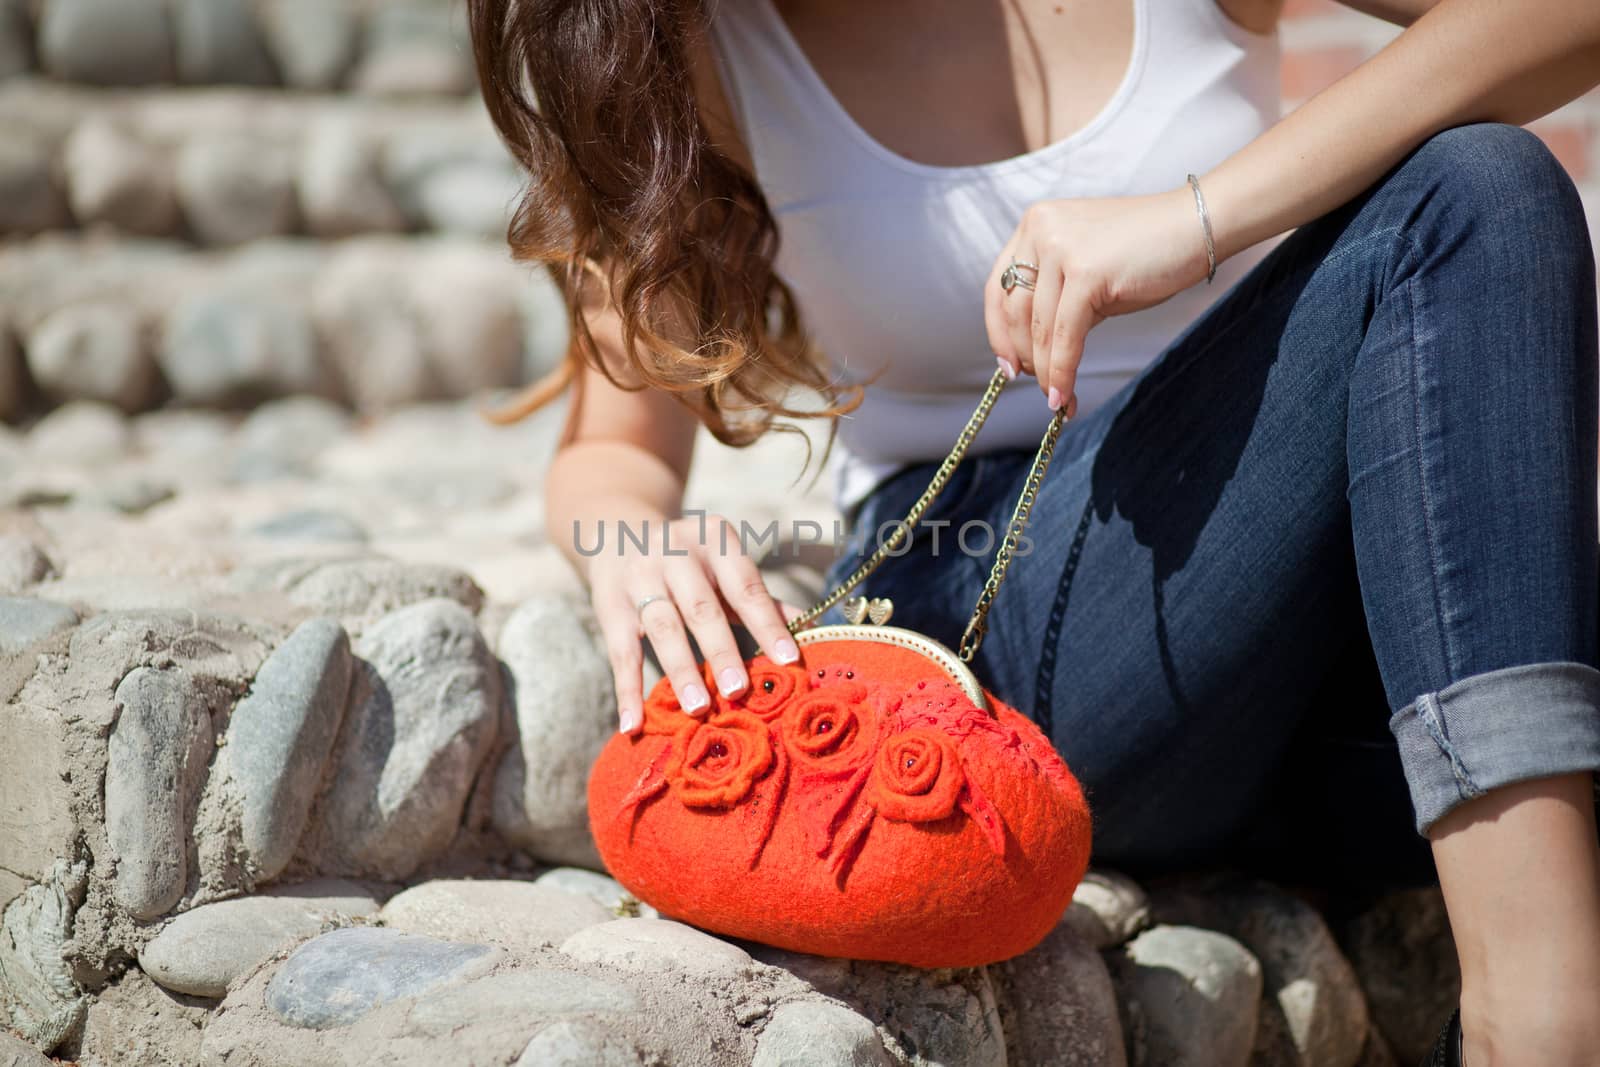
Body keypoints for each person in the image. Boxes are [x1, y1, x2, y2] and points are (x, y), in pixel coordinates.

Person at [467, 1, 1600, 1061]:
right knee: (1473, 187)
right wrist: (633, 545)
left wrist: (1196, 218)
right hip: (994, 603)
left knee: (1476, 192)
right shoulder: (699, 43)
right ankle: (1539, 1021)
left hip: (1302, 597)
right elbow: (610, 448)